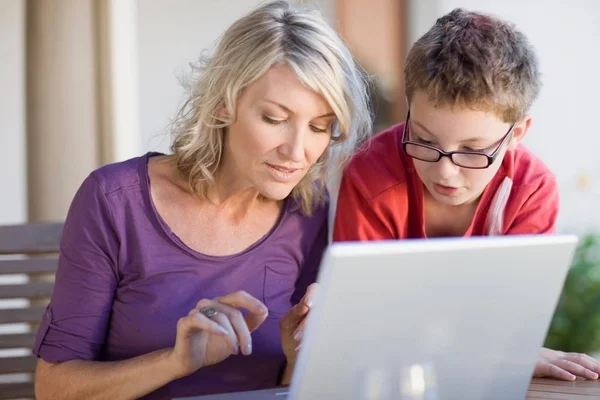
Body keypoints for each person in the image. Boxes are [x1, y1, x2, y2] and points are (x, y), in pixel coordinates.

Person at [32, 1, 372, 399]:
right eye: (275, 119)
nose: (297, 152)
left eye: (319, 127)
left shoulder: (308, 209)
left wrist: (300, 356)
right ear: (225, 103)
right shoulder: (114, 202)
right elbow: (53, 388)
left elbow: (290, 386)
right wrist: (177, 361)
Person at [333, 8, 600, 381]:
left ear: (517, 135)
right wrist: (495, 353)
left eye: (473, 151)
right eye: (424, 139)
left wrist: (505, 350)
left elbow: (509, 323)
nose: (445, 171)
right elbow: (365, 320)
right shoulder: (370, 175)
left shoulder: (531, 190)